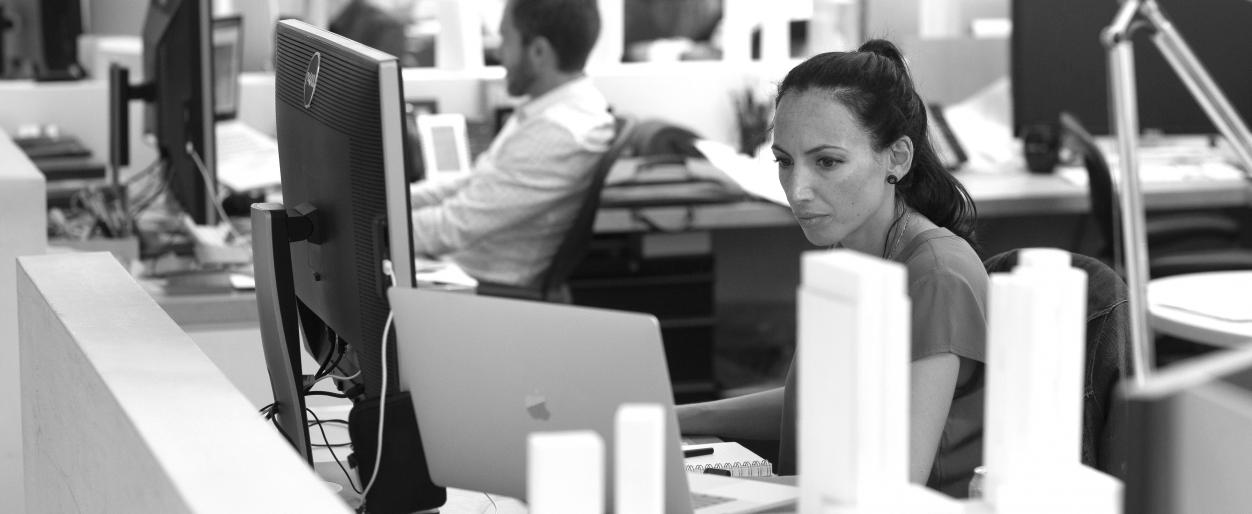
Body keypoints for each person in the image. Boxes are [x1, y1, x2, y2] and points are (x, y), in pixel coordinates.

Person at [676, 39, 987, 498]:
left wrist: (740, 486)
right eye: (784, 162)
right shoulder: (849, 249)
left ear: (897, 158)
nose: (798, 190)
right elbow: (810, 403)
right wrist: (679, 417)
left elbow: (894, 486)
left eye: (827, 162)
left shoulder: (937, 275)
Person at [409, 0, 614, 288]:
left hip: (485, 293)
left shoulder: (557, 131)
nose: (498, 51)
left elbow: (453, 225)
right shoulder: (546, 109)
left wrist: (369, 227)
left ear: (539, 52)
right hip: (459, 273)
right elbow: (471, 183)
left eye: (505, 38)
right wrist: (390, 199)